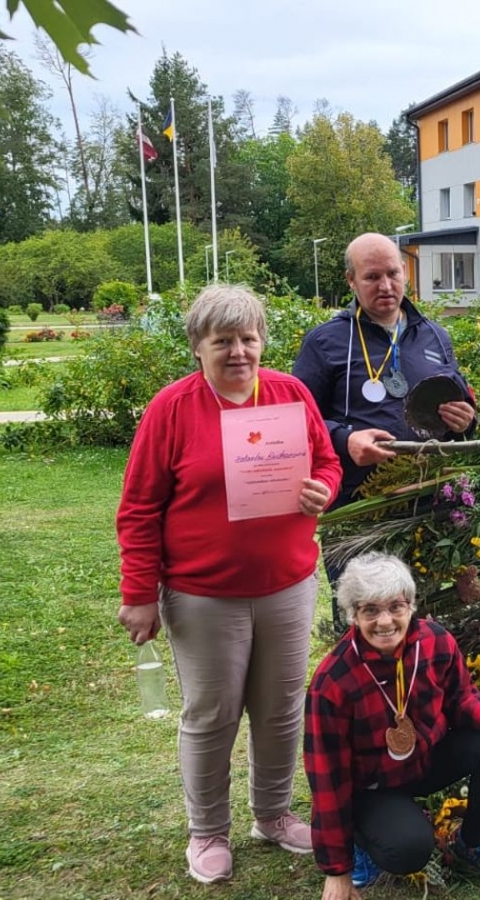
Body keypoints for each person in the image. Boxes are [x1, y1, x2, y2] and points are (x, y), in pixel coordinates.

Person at [116, 284, 343, 884]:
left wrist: (325, 486)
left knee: (279, 710)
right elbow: (139, 508)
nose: (239, 352)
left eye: (249, 338)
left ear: (262, 340)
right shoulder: (172, 409)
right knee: (213, 713)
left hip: (287, 584)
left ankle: (272, 815)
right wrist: (139, 594)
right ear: (198, 347)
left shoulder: (291, 394)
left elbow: (326, 461)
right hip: (203, 594)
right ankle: (208, 831)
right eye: (223, 341)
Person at [304, 552, 480, 897]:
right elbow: (327, 777)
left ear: (411, 607)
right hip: (373, 785)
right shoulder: (333, 682)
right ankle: (360, 839)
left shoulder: (436, 641)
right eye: (370, 610)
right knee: (407, 850)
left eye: (395, 607)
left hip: (424, 760)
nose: (385, 621)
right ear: (353, 615)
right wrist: (337, 869)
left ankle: (471, 843)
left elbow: (461, 699)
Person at [292, 233, 478, 622]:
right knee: (367, 620)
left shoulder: (434, 336)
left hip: (430, 503)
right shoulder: (325, 342)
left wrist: (466, 421)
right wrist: (345, 439)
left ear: (405, 273)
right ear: (350, 281)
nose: (386, 286)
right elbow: (296, 423)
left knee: (428, 618)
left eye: (393, 274)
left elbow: (460, 402)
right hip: (359, 507)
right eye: (372, 277)